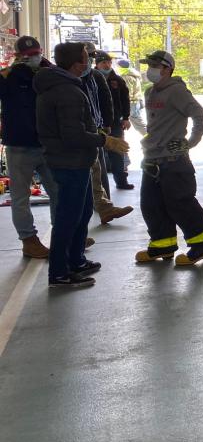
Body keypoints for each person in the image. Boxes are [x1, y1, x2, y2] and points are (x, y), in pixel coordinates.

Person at [34, 42, 130, 288]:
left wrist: (96, 134)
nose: (89, 62)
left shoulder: (66, 86)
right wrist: (104, 140)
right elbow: (73, 136)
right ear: (78, 64)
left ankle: (76, 260)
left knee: (83, 211)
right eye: (86, 58)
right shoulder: (66, 92)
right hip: (69, 162)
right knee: (69, 218)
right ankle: (59, 272)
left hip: (77, 161)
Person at [134, 50, 203, 266]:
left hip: (173, 161)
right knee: (151, 205)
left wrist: (190, 142)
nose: (149, 70)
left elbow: (201, 116)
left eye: (154, 66)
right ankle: (163, 245)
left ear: (167, 69)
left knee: (181, 204)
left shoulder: (177, 91)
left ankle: (201, 247)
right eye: (148, 65)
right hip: (152, 160)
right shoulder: (150, 92)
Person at [0, 36, 58, 258]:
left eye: (36, 53)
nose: (33, 58)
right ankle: (29, 240)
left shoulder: (51, 73)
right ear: (18, 56)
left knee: (57, 191)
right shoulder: (9, 77)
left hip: (47, 143)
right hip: (19, 145)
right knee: (20, 196)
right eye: (27, 55)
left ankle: (63, 235)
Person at [81, 43, 133, 224]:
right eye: (85, 56)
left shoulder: (101, 78)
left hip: (98, 128)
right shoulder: (64, 80)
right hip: (76, 134)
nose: (88, 60)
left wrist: (109, 124)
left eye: (91, 57)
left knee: (99, 168)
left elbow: (108, 101)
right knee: (81, 177)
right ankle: (75, 230)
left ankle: (105, 207)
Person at [94, 51, 133, 189]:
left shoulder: (118, 80)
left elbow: (125, 100)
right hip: (96, 124)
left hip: (115, 122)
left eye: (109, 62)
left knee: (117, 152)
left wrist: (126, 117)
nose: (107, 65)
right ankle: (100, 187)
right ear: (97, 64)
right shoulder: (91, 79)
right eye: (103, 62)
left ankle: (121, 181)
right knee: (97, 155)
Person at [118, 59, 147, 135]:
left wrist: (124, 104)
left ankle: (151, 139)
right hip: (136, 101)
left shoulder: (126, 77)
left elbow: (128, 92)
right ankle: (150, 138)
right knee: (139, 123)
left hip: (131, 103)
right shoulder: (133, 74)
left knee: (138, 124)